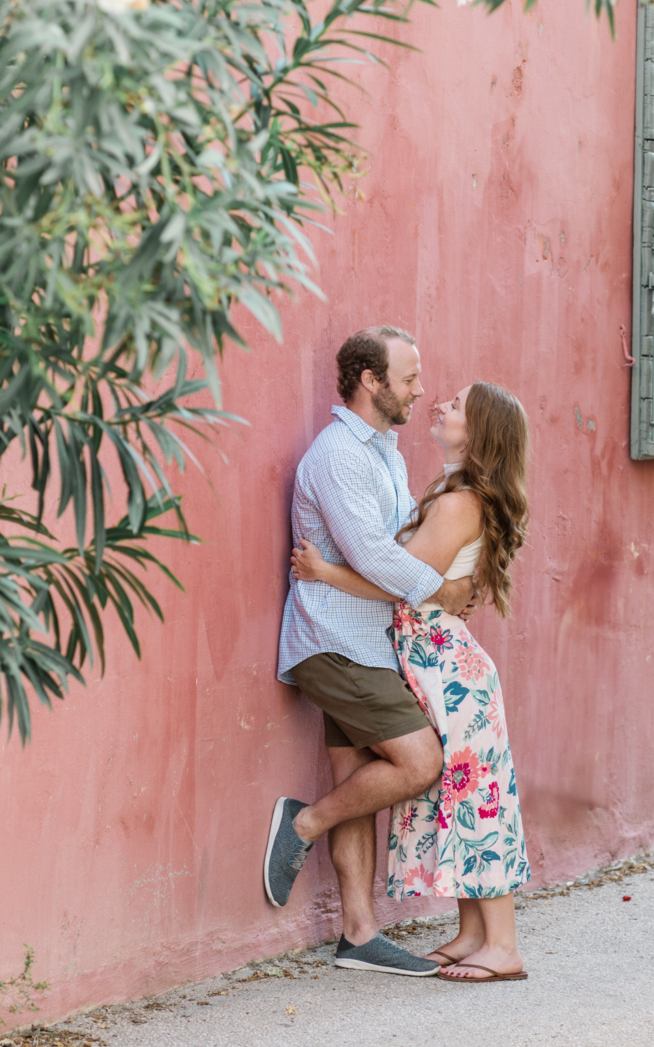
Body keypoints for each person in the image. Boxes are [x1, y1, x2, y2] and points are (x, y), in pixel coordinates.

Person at [291, 380, 531, 984]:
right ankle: (473, 933)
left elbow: (406, 581)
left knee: (477, 800)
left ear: (477, 434)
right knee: (455, 794)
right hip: (433, 663)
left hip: (449, 668)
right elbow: (424, 579)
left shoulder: (458, 503)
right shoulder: (449, 493)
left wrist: (327, 572)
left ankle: (502, 946)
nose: (441, 405)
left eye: (456, 405)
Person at [265, 326, 476, 976]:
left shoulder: (381, 450)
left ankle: (357, 934)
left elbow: (400, 537)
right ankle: (301, 825)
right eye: (408, 377)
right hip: (333, 641)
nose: (419, 389)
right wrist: (436, 591)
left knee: (356, 774)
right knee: (418, 762)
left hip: (370, 640)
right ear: (370, 381)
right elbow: (373, 553)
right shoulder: (338, 456)